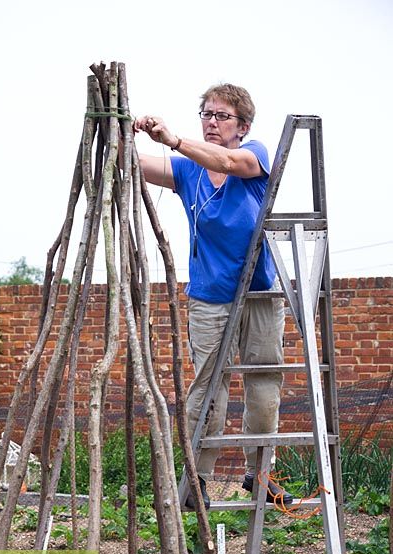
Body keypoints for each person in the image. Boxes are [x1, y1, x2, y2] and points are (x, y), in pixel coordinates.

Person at [134, 82, 293, 508]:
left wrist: (174, 139)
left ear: (243, 126)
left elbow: (227, 160)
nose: (211, 121)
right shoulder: (187, 170)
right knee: (207, 388)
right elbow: (132, 164)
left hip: (261, 292)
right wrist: (122, 128)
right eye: (206, 113)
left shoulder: (255, 154)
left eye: (221, 116)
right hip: (210, 297)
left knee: (263, 385)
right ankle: (198, 477)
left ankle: (261, 472)